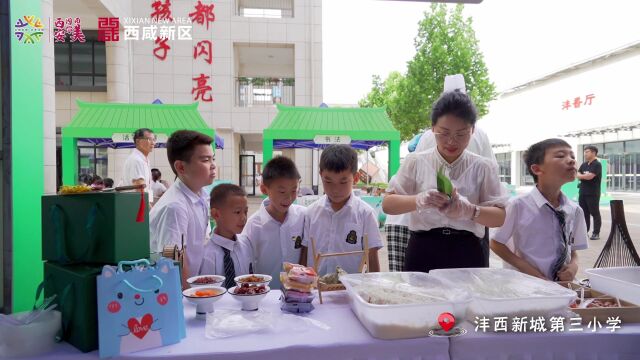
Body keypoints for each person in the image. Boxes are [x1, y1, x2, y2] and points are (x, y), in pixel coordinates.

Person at [382, 90, 507, 273]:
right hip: (423, 248)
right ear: (432, 128)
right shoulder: (416, 161)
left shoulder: (483, 167)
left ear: (472, 130)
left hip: (468, 250)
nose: (451, 141)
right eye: (444, 132)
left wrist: (470, 210)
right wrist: (419, 199)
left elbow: (499, 217)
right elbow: (388, 205)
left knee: (465, 301)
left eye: (461, 134)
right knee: (423, 300)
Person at [491, 139, 588, 281]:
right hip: (526, 285)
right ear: (537, 169)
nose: (571, 161)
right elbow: (496, 243)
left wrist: (573, 266)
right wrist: (527, 270)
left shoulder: (574, 210)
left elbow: (572, 249)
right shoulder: (518, 206)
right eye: (561, 156)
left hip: (561, 287)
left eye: (572, 156)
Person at [300, 145, 382, 275]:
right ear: (321, 175)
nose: (335, 189)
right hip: (316, 289)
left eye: (343, 182)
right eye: (328, 181)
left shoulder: (365, 214)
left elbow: (372, 256)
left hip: (350, 289)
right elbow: (304, 252)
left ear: (355, 178)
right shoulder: (310, 213)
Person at [150, 130, 216, 279]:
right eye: (205, 160)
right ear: (181, 167)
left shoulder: (201, 195)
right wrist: (190, 299)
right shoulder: (175, 207)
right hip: (179, 294)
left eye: (213, 159)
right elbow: (174, 262)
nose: (213, 165)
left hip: (194, 286)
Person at [241, 156, 305, 289]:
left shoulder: (303, 217)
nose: (288, 198)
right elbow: (246, 266)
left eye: (294, 190)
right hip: (265, 296)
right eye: (282, 191)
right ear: (264, 189)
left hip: (297, 294)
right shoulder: (254, 225)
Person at [201, 184, 253, 289]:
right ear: (216, 214)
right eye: (237, 212)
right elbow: (206, 292)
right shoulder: (206, 255)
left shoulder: (246, 244)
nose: (243, 218)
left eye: (245, 212)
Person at [122, 128, 156, 204]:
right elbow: (140, 188)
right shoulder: (136, 160)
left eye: (154, 139)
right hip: (136, 206)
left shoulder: (144, 159)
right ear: (138, 141)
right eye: (149, 139)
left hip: (140, 204)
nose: (153, 142)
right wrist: (149, 209)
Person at [577, 145, 602, 240]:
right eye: (585, 152)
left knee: (594, 213)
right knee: (584, 213)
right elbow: (577, 174)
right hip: (582, 192)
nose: (585, 153)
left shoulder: (597, 164)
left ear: (593, 153)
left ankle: (596, 233)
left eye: (587, 152)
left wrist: (583, 176)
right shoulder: (584, 164)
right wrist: (584, 175)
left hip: (593, 193)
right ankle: (585, 232)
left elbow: (590, 176)